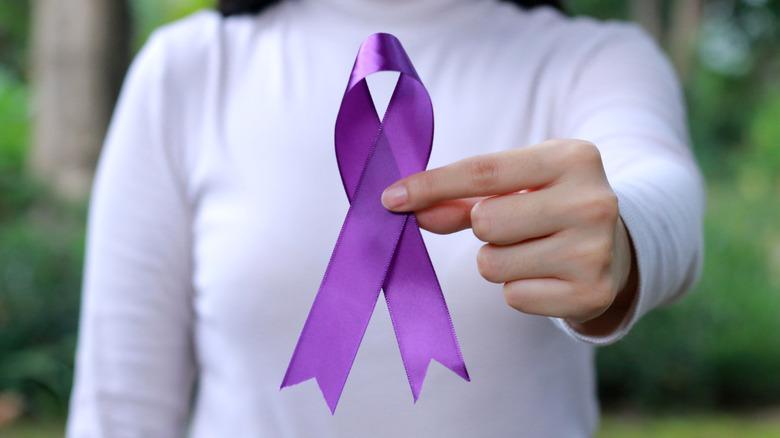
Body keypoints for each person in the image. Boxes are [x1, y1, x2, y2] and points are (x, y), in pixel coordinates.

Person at [66, 0, 705, 436]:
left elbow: (661, 184)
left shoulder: (592, 60)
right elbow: (119, 411)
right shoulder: (188, 69)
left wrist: (624, 236)